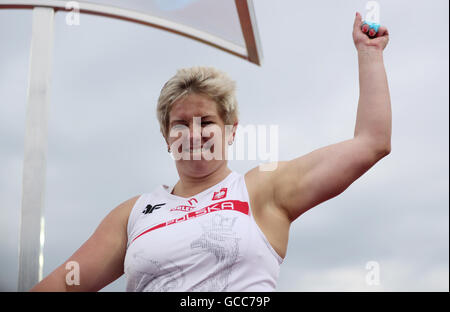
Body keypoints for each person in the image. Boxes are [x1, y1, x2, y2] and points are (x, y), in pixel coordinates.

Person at [30, 12, 391, 292]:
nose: (194, 133)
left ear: (231, 131)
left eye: (206, 121)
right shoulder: (134, 214)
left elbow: (371, 143)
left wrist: (369, 53)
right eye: (180, 124)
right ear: (166, 136)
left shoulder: (263, 190)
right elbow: (65, 283)